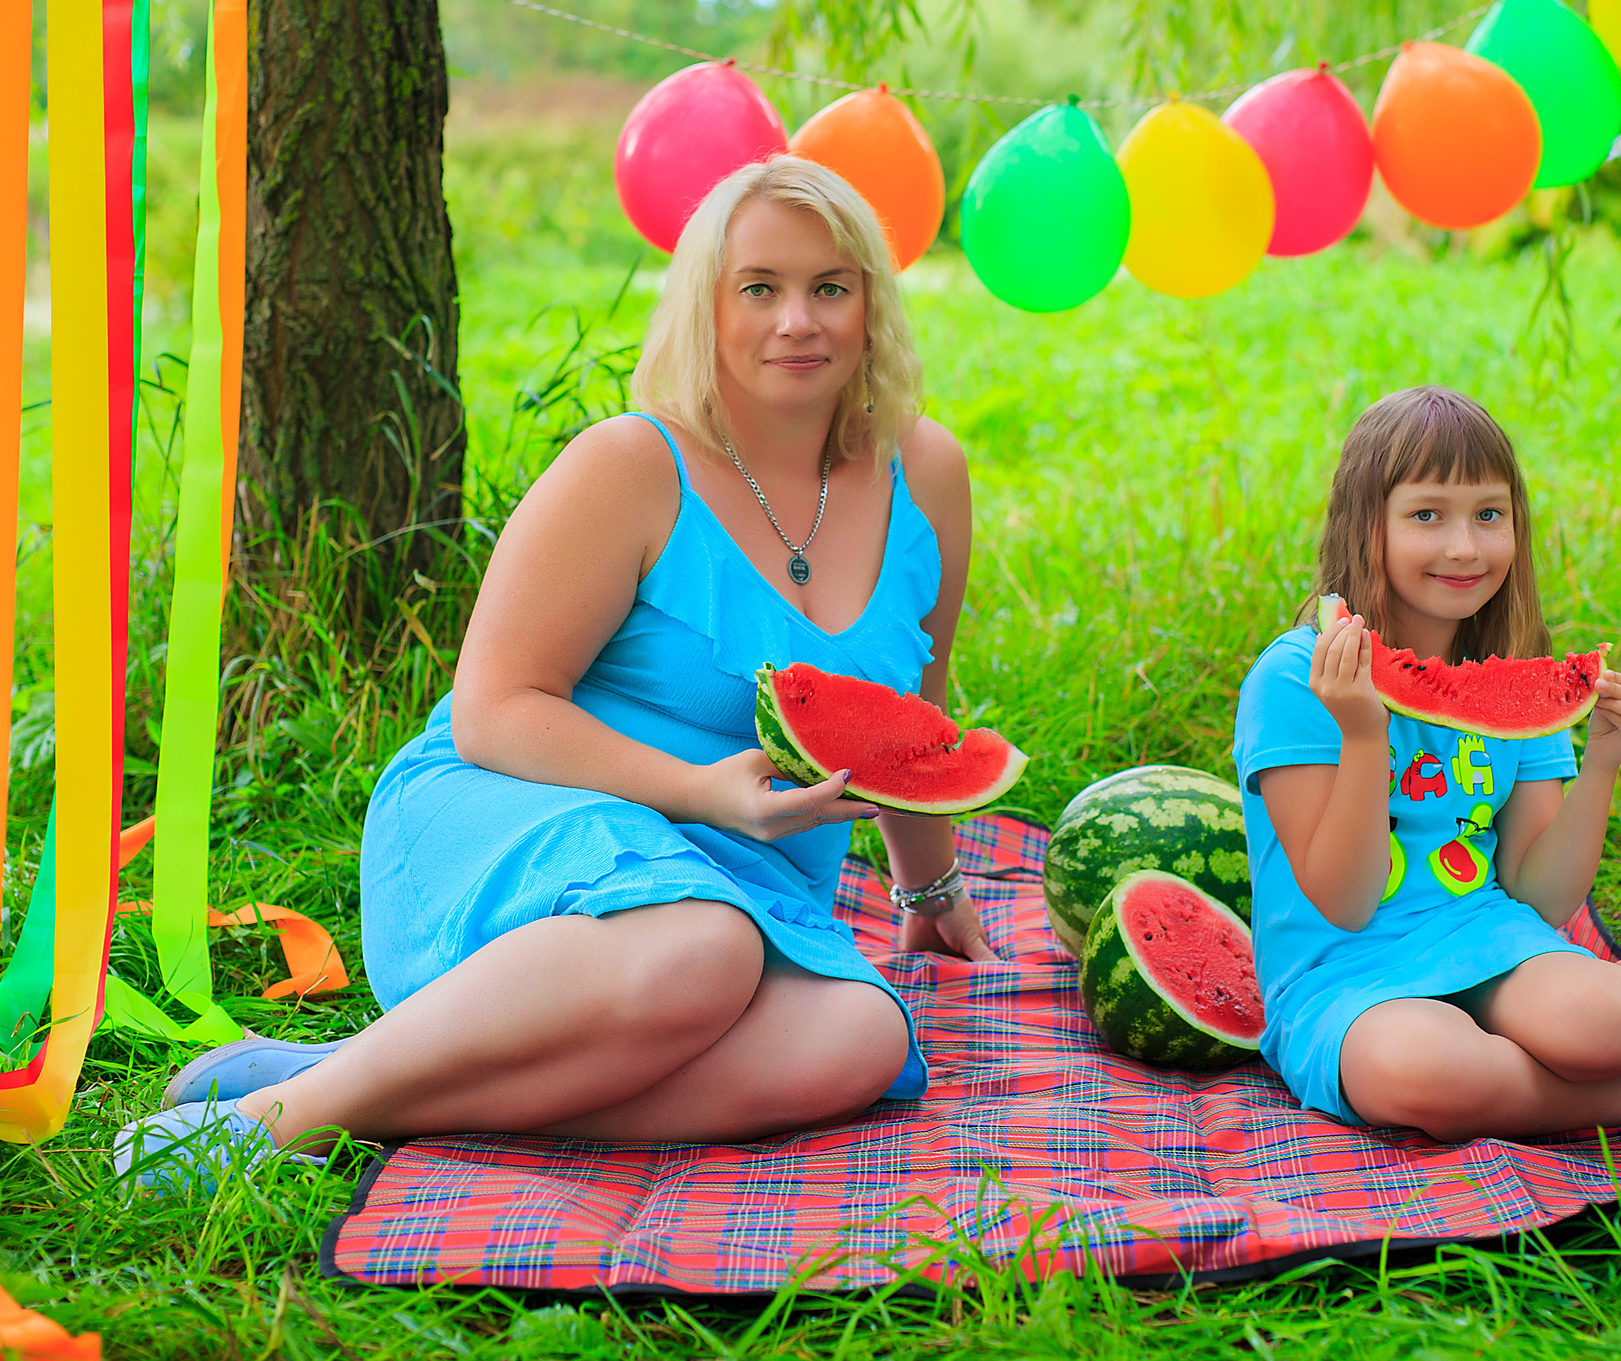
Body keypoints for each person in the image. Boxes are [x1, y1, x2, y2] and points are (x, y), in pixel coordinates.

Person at [117, 156, 991, 1185]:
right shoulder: (630, 465)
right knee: (700, 951)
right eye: (760, 287)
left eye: (828, 288)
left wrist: (927, 885)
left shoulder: (923, 471)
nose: (797, 320)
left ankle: (387, 1081)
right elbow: (494, 710)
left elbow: (907, 724)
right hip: (518, 814)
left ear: (871, 306)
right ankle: (283, 1119)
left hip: (745, 879)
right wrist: (699, 792)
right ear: (706, 307)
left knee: (860, 1041)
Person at [1232, 386, 1621, 1139]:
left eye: (1489, 513)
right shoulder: (1293, 682)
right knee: (1422, 1070)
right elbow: (1344, 902)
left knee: (1597, 1022)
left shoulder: (1515, 675)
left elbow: (1538, 895)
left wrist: (1603, 762)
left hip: (1488, 933)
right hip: (1343, 976)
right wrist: (1362, 735)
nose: (1465, 547)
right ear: (1363, 525)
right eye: (1426, 515)